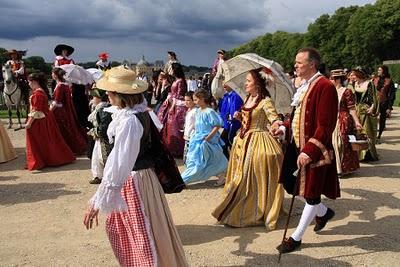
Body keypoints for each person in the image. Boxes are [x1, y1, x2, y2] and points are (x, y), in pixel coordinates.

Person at [83, 67, 188, 266]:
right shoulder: (138, 114)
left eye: (110, 91)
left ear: (120, 94)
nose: (107, 94)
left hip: (134, 181)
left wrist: (98, 201)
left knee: (140, 235)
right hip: (141, 178)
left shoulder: (130, 121)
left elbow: (119, 163)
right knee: (143, 232)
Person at [276, 48, 339, 254]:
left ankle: (296, 237)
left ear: (312, 64)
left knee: (311, 193)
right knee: (288, 181)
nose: (295, 66)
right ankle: (323, 212)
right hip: (296, 145)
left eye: (299, 62)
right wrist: (283, 127)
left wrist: (310, 150)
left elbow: (325, 124)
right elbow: (297, 116)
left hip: (314, 149)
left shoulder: (325, 86)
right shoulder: (305, 86)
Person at [212, 68, 285, 230]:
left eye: (248, 81)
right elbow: (247, 118)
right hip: (242, 142)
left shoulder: (265, 101)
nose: (245, 83)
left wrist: (276, 125)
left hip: (258, 140)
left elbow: (274, 118)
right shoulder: (247, 99)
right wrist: (240, 116)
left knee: (251, 176)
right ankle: (238, 204)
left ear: (258, 84)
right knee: (241, 177)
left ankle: (253, 209)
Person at [25, 73, 75, 171]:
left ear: (34, 82)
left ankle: (43, 160)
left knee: (40, 141)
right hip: (45, 119)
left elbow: (36, 110)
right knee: (48, 140)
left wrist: (29, 123)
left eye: (29, 82)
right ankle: (48, 159)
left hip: (40, 121)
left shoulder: (37, 94)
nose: (28, 84)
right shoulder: (40, 92)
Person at [181, 89, 227, 184]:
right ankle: (220, 174)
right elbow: (197, 124)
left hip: (207, 139)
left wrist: (208, 137)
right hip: (198, 138)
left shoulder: (209, 111)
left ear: (202, 99)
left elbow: (217, 125)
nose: (194, 102)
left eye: (196, 99)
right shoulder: (198, 111)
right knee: (202, 160)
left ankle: (185, 179)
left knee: (204, 160)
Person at [330, 69, 362, 176]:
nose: (331, 80)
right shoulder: (330, 90)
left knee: (341, 143)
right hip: (332, 118)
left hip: (343, 119)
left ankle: (343, 167)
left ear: (338, 80)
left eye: (332, 78)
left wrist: (357, 122)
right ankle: (335, 168)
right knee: (332, 143)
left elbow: (352, 108)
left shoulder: (346, 91)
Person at [50, 68, 88, 155]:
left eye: (52, 73)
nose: (51, 75)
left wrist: (50, 111)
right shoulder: (65, 84)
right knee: (67, 129)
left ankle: (68, 148)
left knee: (62, 130)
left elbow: (57, 102)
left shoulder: (60, 86)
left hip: (59, 112)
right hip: (64, 111)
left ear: (56, 75)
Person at [157, 63, 188, 157]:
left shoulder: (181, 81)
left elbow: (180, 95)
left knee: (175, 127)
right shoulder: (176, 80)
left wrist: (172, 101)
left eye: (171, 69)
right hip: (172, 103)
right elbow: (173, 92)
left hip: (177, 106)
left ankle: (177, 149)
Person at [352, 67, 379, 161]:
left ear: (359, 75)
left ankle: (368, 154)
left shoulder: (369, 84)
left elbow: (374, 98)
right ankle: (358, 154)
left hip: (366, 110)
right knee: (357, 131)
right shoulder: (354, 84)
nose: (353, 76)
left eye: (354, 74)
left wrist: (372, 108)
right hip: (357, 110)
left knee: (367, 132)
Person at [87, 88, 112, 184]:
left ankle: (106, 176)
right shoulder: (98, 108)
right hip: (99, 138)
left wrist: (95, 132)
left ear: (99, 98)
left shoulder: (103, 109)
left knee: (103, 157)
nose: (92, 98)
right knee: (96, 157)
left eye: (94, 97)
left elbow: (104, 127)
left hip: (103, 139)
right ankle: (98, 175)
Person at [218, 83, 243, 159]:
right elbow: (222, 110)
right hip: (227, 124)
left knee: (230, 143)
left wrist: (232, 117)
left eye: (227, 83)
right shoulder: (226, 96)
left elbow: (235, 110)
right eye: (223, 83)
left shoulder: (236, 96)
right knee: (225, 143)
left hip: (234, 125)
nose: (224, 85)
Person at [6, 49, 30, 115]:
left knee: (24, 86)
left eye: (14, 54)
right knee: (3, 85)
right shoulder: (8, 62)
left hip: (19, 77)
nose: (13, 56)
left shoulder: (21, 62)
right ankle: (5, 97)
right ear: (10, 56)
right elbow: (7, 69)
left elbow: (22, 70)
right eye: (12, 54)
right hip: (10, 78)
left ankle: (26, 100)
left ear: (17, 55)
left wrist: (15, 72)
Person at [375, 65, 395, 139]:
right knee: (373, 118)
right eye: (378, 70)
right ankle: (373, 134)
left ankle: (379, 135)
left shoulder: (389, 81)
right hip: (374, 103)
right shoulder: (375, 80)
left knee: (382, 120)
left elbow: (392, 95)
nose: (378, 72)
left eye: (380, 70)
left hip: (384, 103)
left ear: (384, 71)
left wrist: (389, 107)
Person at [183, 91, 196, 164]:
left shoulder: (195, 111)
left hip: (192, 137)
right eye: (185, 100)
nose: (186, 102)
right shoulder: (189, 110)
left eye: (188, 100)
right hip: (187, 137)